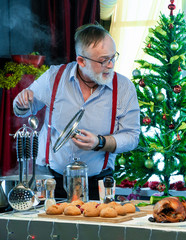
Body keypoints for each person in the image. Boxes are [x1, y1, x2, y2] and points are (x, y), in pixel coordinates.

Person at [13, 23, 140, 200]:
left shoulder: (124, 88)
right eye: (103, 61)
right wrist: (22, 102)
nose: (111, 65)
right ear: (81, 61)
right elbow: (23, 110)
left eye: (113, 57)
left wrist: (100, 142)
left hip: (98, 183)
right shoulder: (54, 77)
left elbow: (132, 136)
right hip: (51, 182)